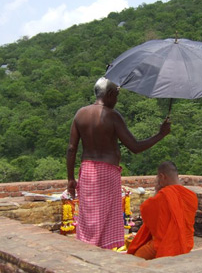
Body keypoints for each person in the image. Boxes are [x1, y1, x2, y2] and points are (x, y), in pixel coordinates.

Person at [66, 77, 171, 249]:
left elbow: (71, 149)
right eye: (116, 95)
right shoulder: (112, 116)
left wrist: (70, 178)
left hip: (86, 171)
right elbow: (135, 147)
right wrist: (161, 134)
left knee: (89, 217)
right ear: (109, 94)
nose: (116, 99)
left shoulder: (80, 114)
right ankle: (101, 254)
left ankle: (86, 251)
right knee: (105, 220)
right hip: (107, 172)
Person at [127, 161, 198, 260]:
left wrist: (157, 191)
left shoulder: (164, 195)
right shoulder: (191, 195)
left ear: (162, 176)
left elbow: (145, 210)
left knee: (136, 257)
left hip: (164, 244)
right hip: (186, 244)